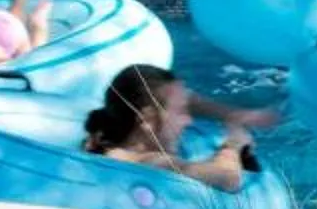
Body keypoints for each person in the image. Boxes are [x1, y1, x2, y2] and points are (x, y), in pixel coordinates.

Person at [79, 63, 275, 193]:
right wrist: (233, 145)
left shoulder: (104, 144)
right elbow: (228, 177)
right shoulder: (147, 161)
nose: (189, 121)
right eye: (181, 111)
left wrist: (231, 115)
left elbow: (185, 99)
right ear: (147, 119)